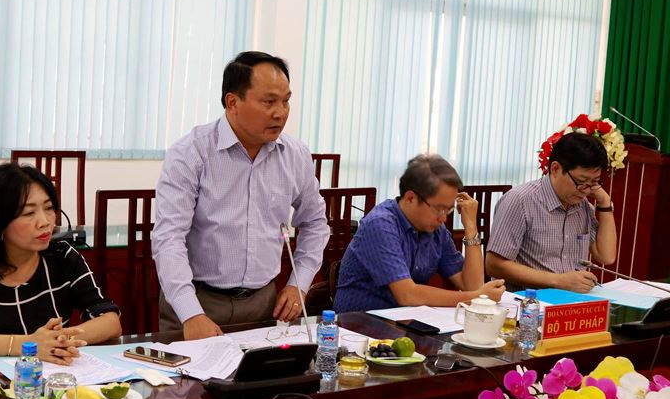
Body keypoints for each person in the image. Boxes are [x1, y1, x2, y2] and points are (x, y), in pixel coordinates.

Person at [152, 51, 330, 340]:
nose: (281, 113)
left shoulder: (295, 154)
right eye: (269, 102)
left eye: (286, 101)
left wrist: (299, 283)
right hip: (198, 300)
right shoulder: (191, 153)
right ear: (232, 102)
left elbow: (315, 223)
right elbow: (168, 238)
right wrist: (191, 313)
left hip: (264, 303)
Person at [0, 163, 122, 365]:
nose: (45, 222)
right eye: (29, 213)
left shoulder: (62, 257)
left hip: (51, 378)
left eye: (48, 208)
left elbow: (110, 321)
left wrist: (58, 341)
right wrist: (27, 344)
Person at [333, 154, 505, 313]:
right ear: (410, 198)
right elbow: (407, 294)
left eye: (448, 209)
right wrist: (476, 297)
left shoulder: (436, 229)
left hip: (405, 322)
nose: (443, 218)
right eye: (439, 209)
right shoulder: (381, 224)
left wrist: (470, 225)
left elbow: (472, 286)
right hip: (358, 324)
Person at [485, 132, 617, 293]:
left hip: (573, 299)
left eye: (594, 183)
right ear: (555, 169)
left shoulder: (582, 206)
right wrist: (558, 281)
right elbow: (494, 265)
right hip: (527, 301)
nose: (586, 190)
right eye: (581, 182)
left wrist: (605, 203)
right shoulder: (520, 200)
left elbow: (606, 256)